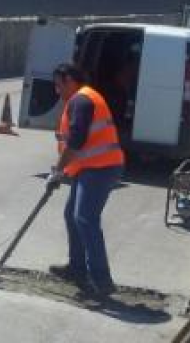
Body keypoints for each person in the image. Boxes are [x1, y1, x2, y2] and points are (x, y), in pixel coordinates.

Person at [47, 62, 125, 297]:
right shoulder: (81, 99)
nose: (56, 91)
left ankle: (101, 281)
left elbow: (76, 142)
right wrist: (63, 170)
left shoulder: (82, 100)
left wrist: (57, 172)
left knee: (85, 218)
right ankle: (77, 268)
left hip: (101, 168)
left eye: (59, 86)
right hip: (89, 168)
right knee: (72, 215)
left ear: (70, 81)